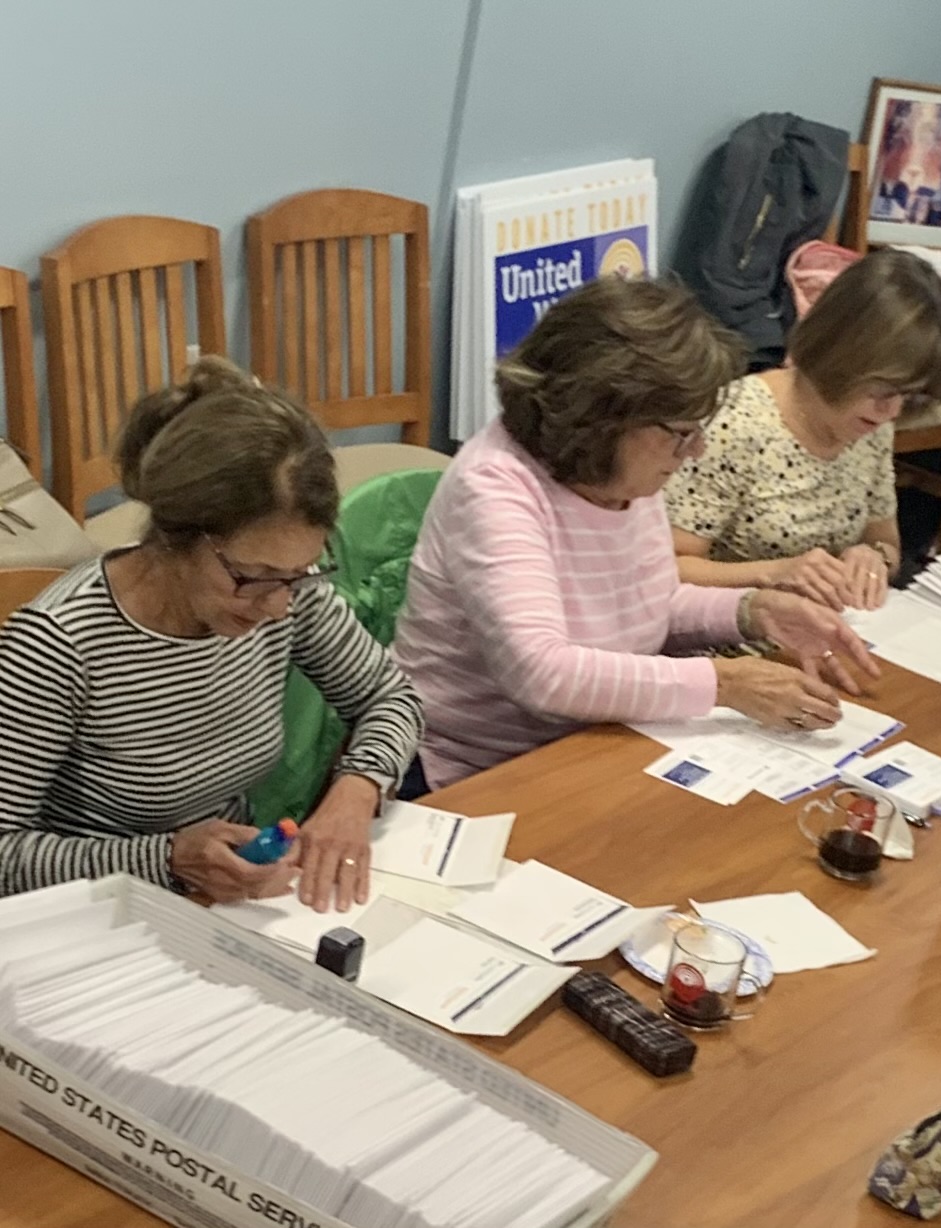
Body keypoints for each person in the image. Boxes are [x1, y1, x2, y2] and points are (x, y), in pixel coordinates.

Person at [393, 277, 880, 791]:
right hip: (474, 771)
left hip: (595, 745)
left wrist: (753, 612)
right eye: (681, 433)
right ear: (601, 419)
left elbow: (645, 607)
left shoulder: (624, 471)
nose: (695, 451)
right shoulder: (494, 486)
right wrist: (724, 683)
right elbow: (542, 673)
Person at [0, 358, 422, 908]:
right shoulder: (60, 644)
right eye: (253, 577)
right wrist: (167, 857)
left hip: (229, 898)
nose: (276, 607)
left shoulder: (289, 588)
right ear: (176, 535)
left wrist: (358, 786)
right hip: (95, 916)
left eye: (299, 573)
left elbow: (391, 697)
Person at [666, 248, 941, 611]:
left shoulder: (871, 427)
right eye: (882, 389)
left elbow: (887, 544)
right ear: (839, 355)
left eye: (907, 396)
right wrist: (775, 572)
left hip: (828, 628)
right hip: (736, 640)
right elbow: (671, 569)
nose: (891, 411)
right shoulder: (736, 421)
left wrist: (872, 558)